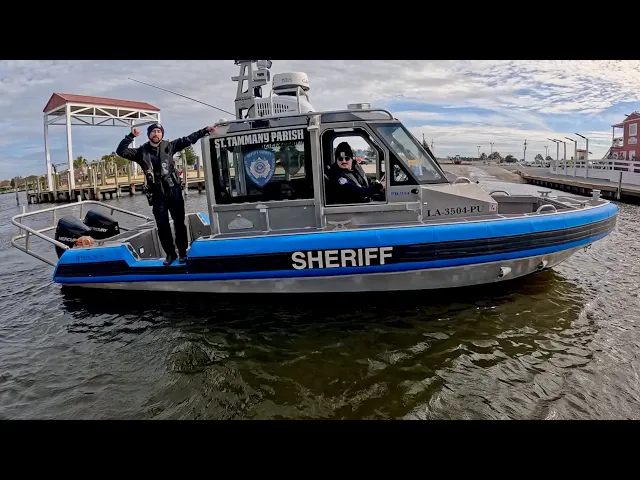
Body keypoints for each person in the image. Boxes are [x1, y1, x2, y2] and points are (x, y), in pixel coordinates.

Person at [116, 122, 215, 266]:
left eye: (158, 131)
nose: (156, 134)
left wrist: (205, 130)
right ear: (149, 134)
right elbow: (121, 151)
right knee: (162, 226)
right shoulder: (141, 152)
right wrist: (131, 136)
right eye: (153, 131)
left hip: (173, 190)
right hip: (157, 194)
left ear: (162, 134)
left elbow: (188, 139)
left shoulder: (170, 146)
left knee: (179, 223)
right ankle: (170, 254)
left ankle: (182, 252)